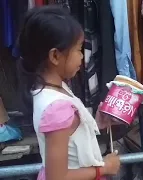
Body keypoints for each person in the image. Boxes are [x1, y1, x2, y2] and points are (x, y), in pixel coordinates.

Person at [17, 6, 120, 180]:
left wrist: (94, 122)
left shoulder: (50, 89)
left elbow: (70, 138)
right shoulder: (57, 107)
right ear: (55, 56)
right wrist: (104, 168)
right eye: (78, 49)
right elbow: (57, 177)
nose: (82, 56)